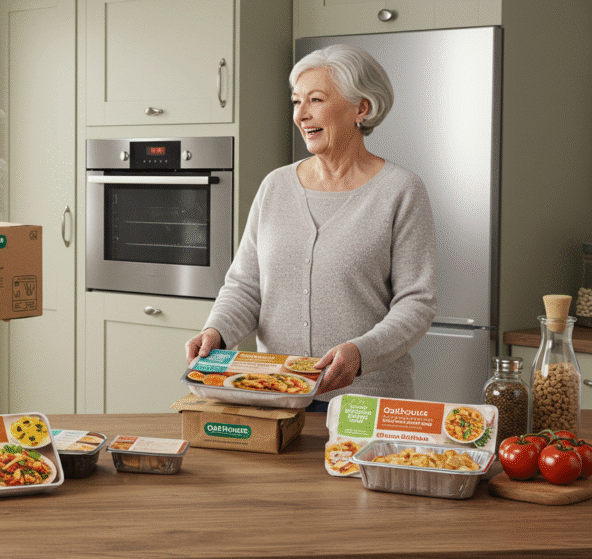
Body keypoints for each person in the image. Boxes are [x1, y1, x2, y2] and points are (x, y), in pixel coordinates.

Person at [185, 44, 437, 411]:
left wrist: (360, 353)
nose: (301, 115)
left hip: (365, 403)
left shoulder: (401, 191)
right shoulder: (276, 186)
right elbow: (245, 286)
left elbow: (417, 303)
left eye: (316, 100)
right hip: (276, 396)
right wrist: (216, 332)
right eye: (295, 102)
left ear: (361, 108)